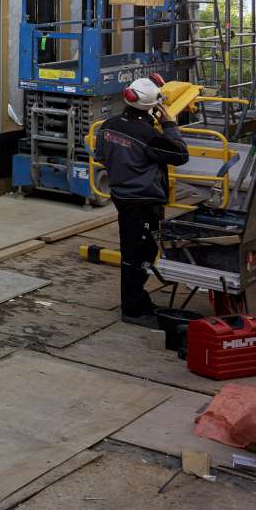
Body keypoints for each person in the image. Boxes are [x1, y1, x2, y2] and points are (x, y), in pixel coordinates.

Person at [94, 73, 189, 327]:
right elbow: (181, 155)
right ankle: (133, 309)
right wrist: (169, 125)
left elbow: (100, 155)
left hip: (122, 197)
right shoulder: (148, 136)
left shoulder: (109, 125)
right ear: (154, 106)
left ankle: (137, 301)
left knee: (133, 251)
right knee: (140, 255)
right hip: (144, 201)